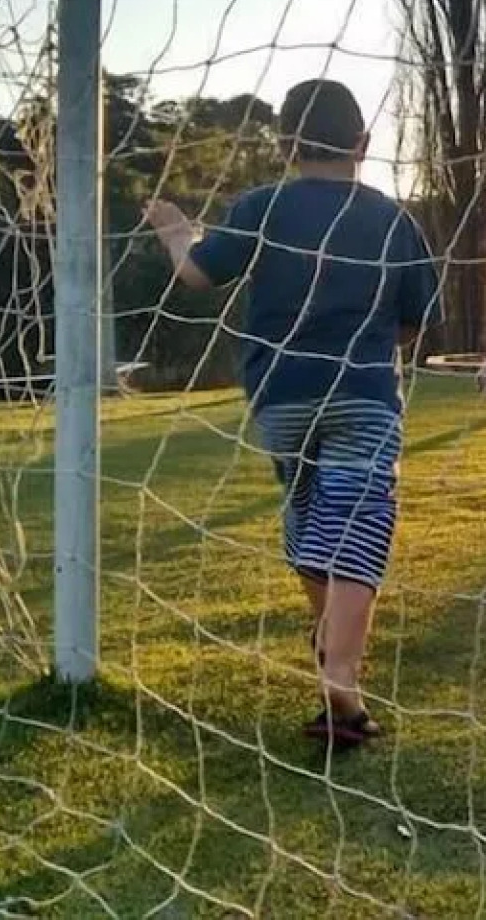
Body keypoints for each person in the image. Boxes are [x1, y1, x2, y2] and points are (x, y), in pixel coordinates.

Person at [143, 79, 440, 747]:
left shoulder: (261, 206)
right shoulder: (393, 219)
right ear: (363, 143)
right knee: (357, 525)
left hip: (281, 401)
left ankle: (334, 660)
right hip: (362, 396)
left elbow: (197, 273)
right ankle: (341, 676)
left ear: (285, 146)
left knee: (309, 524)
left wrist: (176, 230)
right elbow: (414, 322)